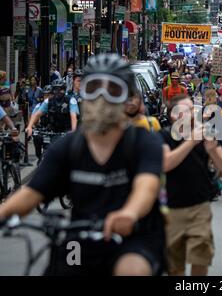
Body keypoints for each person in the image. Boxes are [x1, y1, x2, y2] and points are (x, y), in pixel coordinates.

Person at [0, 53, 166, 276]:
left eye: (112, 90)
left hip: (132, 239)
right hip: (79, 241)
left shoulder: (144, 142)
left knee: (132, 270)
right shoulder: (67, 147)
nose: (101, 97)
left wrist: (129, 213)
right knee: (65, 268)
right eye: (94, 88)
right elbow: (29, 195)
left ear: (127, 96)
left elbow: (146, 188)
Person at [161, 94, 222, 276]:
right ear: (174, 114)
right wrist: (191, 141)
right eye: (188, 109)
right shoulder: (164, 136)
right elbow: (166, 163)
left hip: (200, 207)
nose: (193, 113)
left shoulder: (204, 133)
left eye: (193, 109)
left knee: (201, 257)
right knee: (175, 265)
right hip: (171, 210)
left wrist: (212, 148)